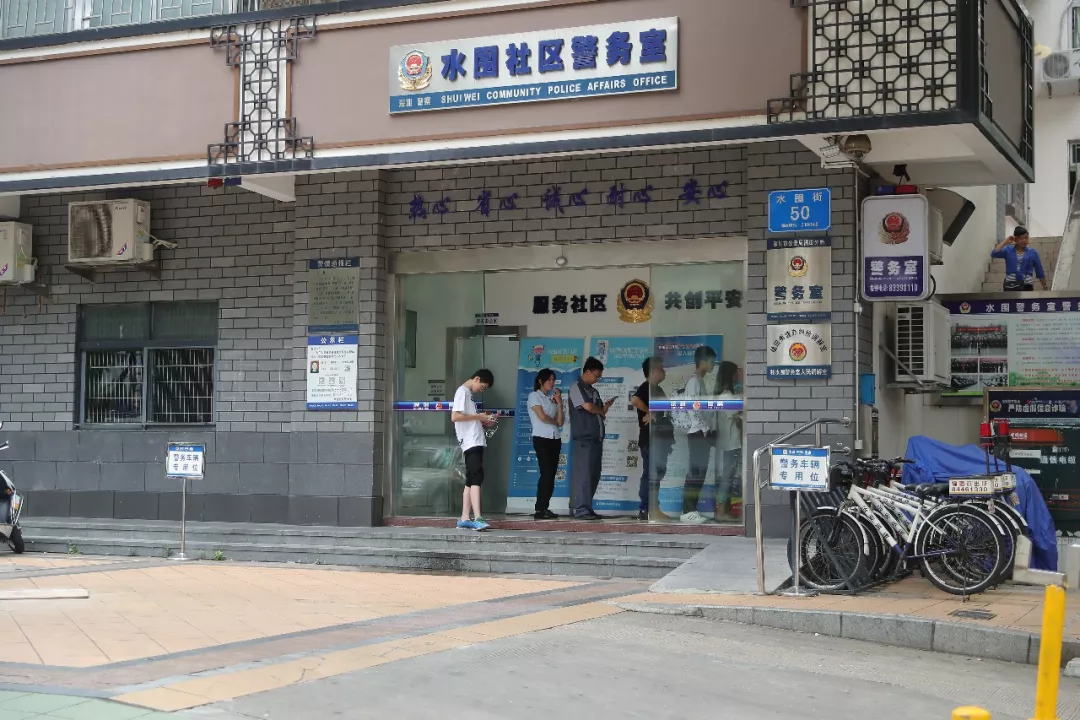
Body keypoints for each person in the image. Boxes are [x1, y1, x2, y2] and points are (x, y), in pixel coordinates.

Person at [569, 356, 615, 520]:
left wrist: (605, 407)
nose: (597, 379)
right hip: (584, 439)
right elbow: (588, 407)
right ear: (587, 372)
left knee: (593, 475)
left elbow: (599, 412)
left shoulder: (593, 391)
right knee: (583, 475)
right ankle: (579, 509)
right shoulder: (576, 387)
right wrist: (599, 410)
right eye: (596, 376)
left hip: (596, 439)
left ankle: (587, 507)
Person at [451, 369, 496, 531]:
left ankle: (465, 517)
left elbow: (465, 418)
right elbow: (455, 416)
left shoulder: (467, 394)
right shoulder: (462, 392)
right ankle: (478, 517)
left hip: (474, 441)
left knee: (471, 479)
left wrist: (481, 421)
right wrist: (479, 417)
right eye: (482, 387)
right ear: (477, 379)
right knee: (477, 477)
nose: (481, 390)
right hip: (471, 442)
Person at [631, 356, 675, 521]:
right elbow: (635, 399)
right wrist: (648, 411)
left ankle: (654, 508)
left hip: (661, 439)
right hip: (651, 439)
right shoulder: (646, 387)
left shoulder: (658, 389)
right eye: (661, 369)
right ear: (653, 371)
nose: (664, 372)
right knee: (651, 474)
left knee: (657, 474)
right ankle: (646, 509)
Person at [680, 345, 717, 524]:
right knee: (696, 472)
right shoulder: (694, 381)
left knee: (700, 472)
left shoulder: (700, 381)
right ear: (702, 362)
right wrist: (704, 429)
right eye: (711, 361)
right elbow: (692, 408)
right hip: (697, 433)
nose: (713, 365)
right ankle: (688, 511)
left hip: (701, 432)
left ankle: (691, 509)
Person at [528, 368, 564, 520]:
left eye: (553, 380)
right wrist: (555, 422)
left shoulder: (551, 399)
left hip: (555, 438)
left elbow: (560, 422)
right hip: (541, 438)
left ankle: (545, 507)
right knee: (546, 473)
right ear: (541, 381)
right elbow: (542, 417)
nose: (551, 382)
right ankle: (540, 508)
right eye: (549, 380)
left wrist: (560, 403)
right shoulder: (534, 396)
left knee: (551, 474)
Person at [713, 361, 743, 523]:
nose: (738, 375)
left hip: (727, 442)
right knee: (727, 477)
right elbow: (739, 412)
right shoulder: (726, 396)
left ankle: (725, 510)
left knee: (728, 476)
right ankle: (721, 511)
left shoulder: (724, 394)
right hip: (731, 442)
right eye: (736, 372)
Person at [991, 227, 1047, 291]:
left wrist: (1045, 287)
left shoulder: (1033, 252)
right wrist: (1005, 242)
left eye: (1026, 238)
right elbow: (994, 253)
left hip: (1026, 285)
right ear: (1015, 239)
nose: (1024, 240)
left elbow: (1040, 271)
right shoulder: (1008, 250)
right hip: (1010, 285)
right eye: (1021, 238)